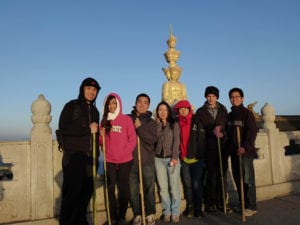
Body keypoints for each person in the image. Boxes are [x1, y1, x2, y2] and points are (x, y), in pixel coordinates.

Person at [58, 77, 101, 225]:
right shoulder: (71, 106)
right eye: (88, 88)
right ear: (82, 89)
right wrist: (86, 129)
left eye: (94, 90)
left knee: (86, 194)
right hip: (74, 157)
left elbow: (95, 135)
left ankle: (80, 221)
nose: (91, 92)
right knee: (71, 195)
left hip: (91, 158)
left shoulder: (95, 111)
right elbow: (64, 129)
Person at [99, 93, 137, 225]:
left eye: (114, 103)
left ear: (119, 104)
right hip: (109, 160)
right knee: (110, 188)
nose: (111, 106)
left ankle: (121, 215)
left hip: (125, 160)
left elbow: (132, 140)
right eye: (109, 103)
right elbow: (101, 142)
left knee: (123, 189)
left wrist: (123, 153)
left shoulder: (126, 119)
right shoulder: (104, 120)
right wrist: (100, 135)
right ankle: (113, 216)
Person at [195, 86, 229, 213]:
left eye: (213, 96)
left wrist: (222, 134)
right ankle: (211, 202)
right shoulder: (200, 111)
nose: (211, 98)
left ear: (217, 97)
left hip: (222, 146)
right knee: (210, 175)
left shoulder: (223, 110)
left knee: (222, 174)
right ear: (205, 97)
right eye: (208, 96)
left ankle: (223, 201)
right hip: (208, 147)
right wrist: (211, 131)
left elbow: (227, 128)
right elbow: (199, 129)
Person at [227, 87, 258, 217]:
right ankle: (243, 203)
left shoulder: (247, 114)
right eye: (232, 97)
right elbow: (228, 134)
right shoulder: (230, 115)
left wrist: (244, 147)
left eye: (237, 97)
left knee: (247, 179)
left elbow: (252, 132)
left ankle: (251, 206)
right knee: (237, 178)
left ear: (242, 98)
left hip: (245, 152)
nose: (234, 99)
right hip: (234, 152)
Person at [128, 93, 157, 225]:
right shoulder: (128, 119)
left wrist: (139, 128)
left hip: (147, 161)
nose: (142, 104)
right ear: (135, 103)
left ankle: (150, 213)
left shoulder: (152, 122)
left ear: (148, 105)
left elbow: (152, 140)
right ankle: (137, 214)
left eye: (145, 102)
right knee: (133, 190)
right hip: (129, 161)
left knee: (149, 189)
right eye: (139, 101)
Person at [174, 100, 206, 219]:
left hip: (196, 158)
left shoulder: (196, 120)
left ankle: (198, 208)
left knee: (196, 184)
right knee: (187, 184)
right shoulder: (177, 122)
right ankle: (190, 206)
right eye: (180, 109)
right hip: (184, 158)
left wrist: (199, 154)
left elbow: (201, 139)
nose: (182, 110)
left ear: (189, 109)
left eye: (185, 108)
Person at [154, 101, 181, 223]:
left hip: (172, 158)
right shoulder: (156, 125)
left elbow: (177, 141)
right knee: (163, 188)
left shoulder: (174, 124)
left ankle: (175, 212)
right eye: (160, 110)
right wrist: (159, 125)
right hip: (158, 159)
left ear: (169, 111)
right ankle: (167, 211)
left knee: (173, 187)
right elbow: (155, 139)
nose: (163, 112)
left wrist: (175, 157)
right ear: (157, 112)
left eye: (165, 110)